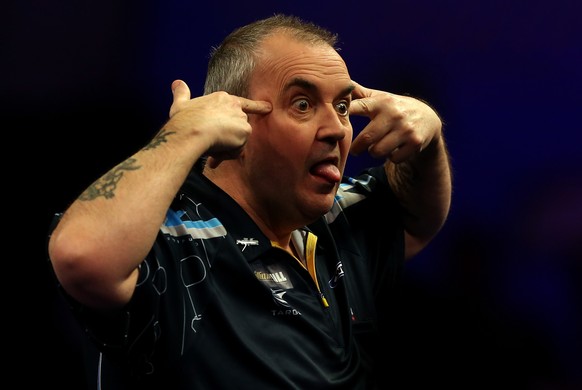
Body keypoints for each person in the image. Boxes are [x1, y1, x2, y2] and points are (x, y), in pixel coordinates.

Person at [47, 13, 452, 389]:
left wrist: (429, 137)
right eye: (303, 104)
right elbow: (79, 254)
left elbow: (415, 217)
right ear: (233, 122)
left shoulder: (334, 223)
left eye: (343, 107)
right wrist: (184, 134)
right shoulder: (174, 237)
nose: (336, 129)